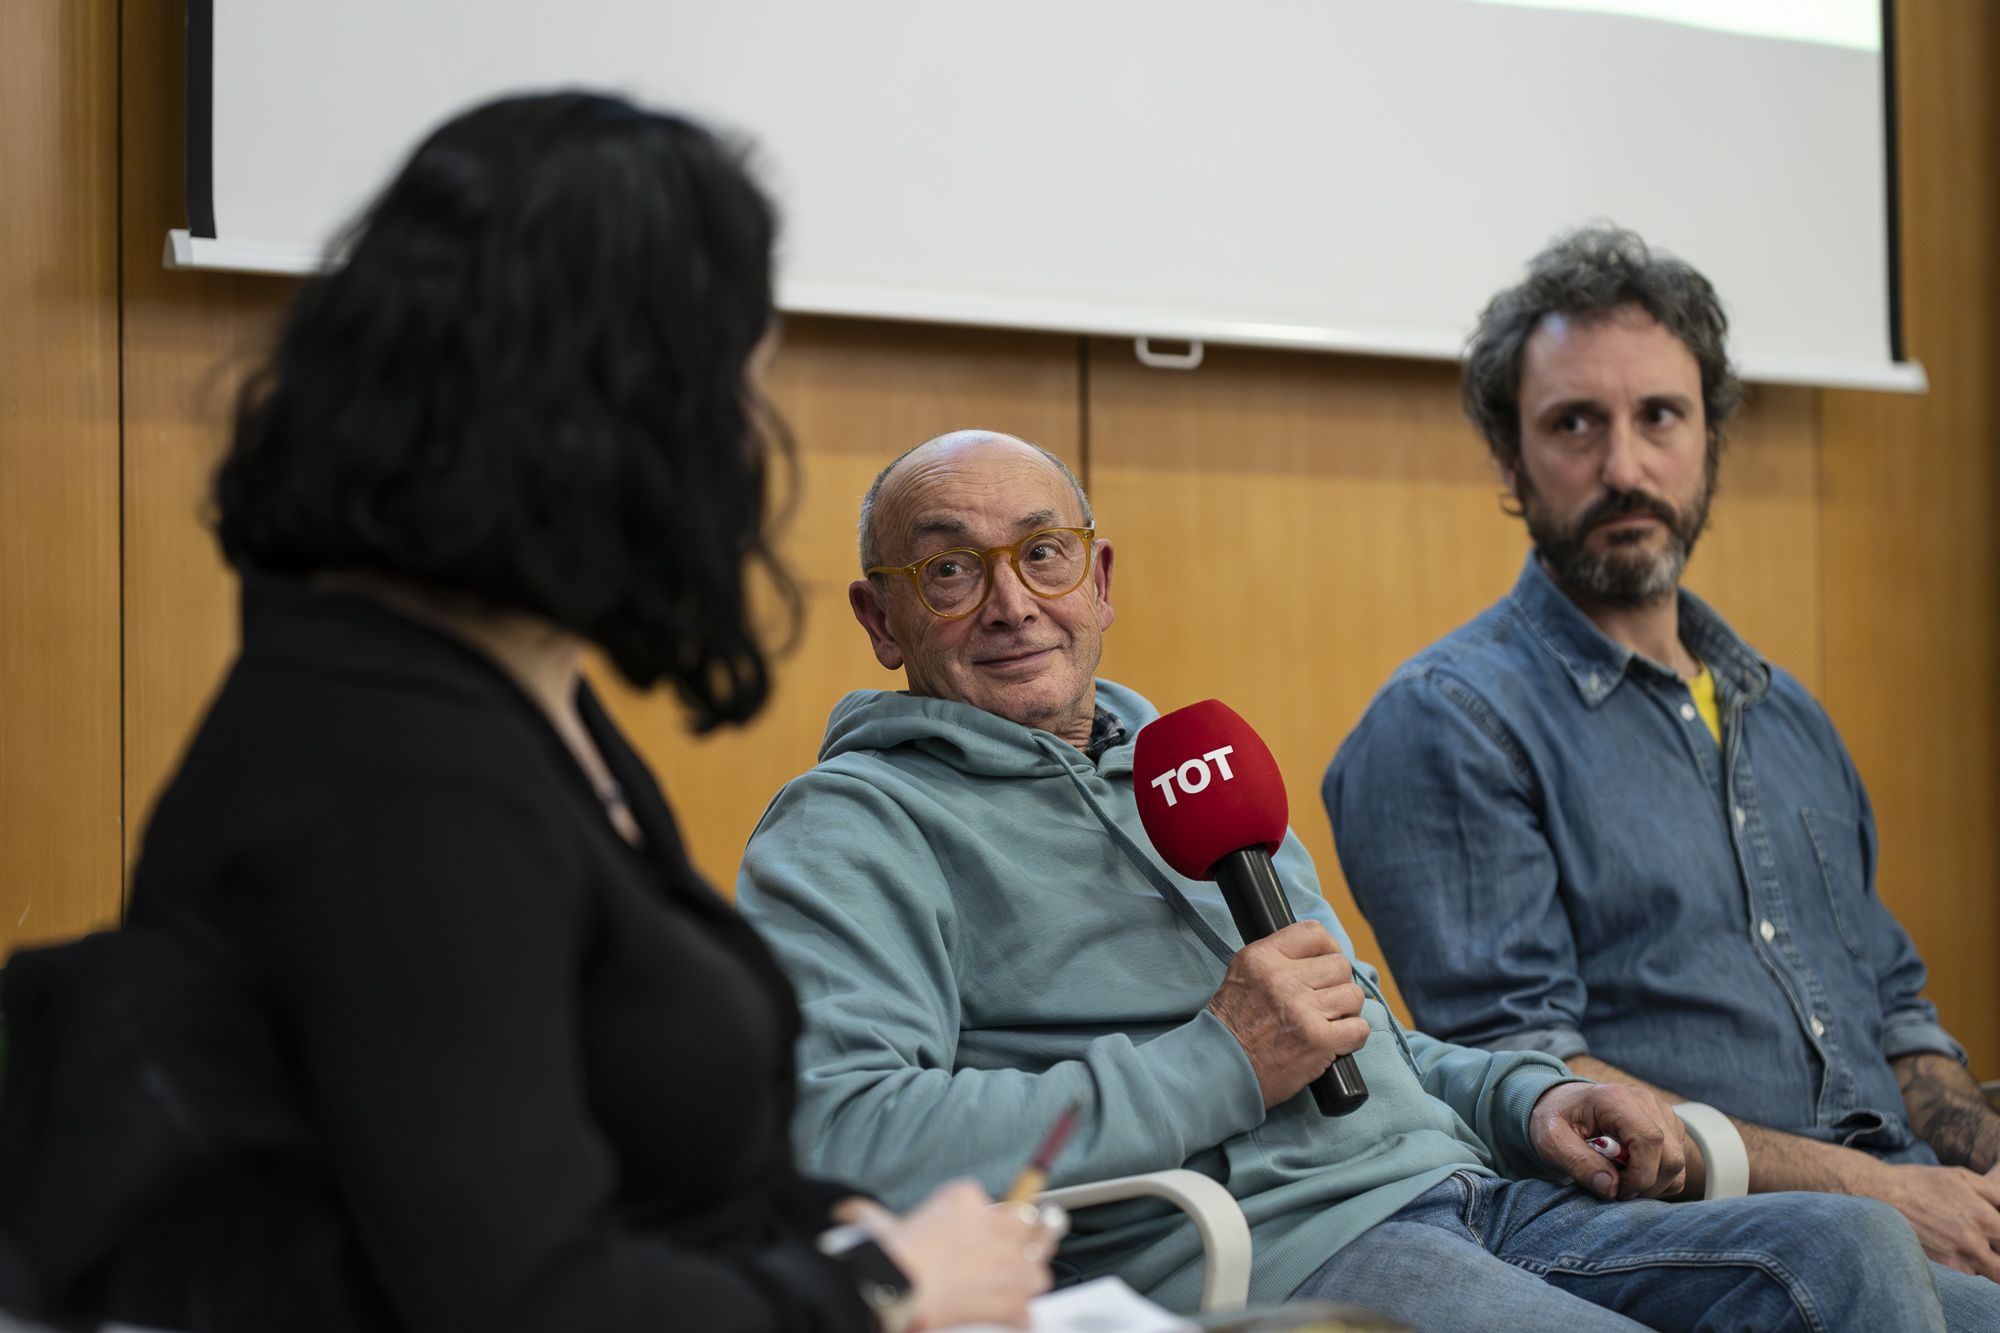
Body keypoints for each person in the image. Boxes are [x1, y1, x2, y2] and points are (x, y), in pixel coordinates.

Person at [0, 93, 1049, 1333]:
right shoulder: (398, 773)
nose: (741, 444)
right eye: (730, 389)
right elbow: (520, 1299)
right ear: (610, 413)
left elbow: (627, 1164)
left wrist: (822, 1223)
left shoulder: (508, 694)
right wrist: (879, 1286)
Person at [734, 427, 1970, 1331]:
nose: (1010, 603)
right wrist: (1216, 1060)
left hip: (1474, 1190)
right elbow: (834, 1130)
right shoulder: (853, 828)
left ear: (1098, 581)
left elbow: (1360, 1036)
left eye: (1042, 554)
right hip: (1261, 1253)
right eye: (948, 571)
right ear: (880, 620)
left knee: (1857, 1245)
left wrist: (1522, 1099)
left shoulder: (1193, 766)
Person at [1324, 225, 2000, 1315]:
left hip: (1903, 1193)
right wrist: (1883, 1192)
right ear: (1509, 459)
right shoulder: (1444, 722)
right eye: (1572, 424)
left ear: (1707, 439)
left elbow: (1899, 1015)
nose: (1622, 467)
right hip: (1681, 1230)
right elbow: (1542, 1078)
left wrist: (1977, 1170)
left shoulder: (1786, 716)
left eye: (1658, 418)